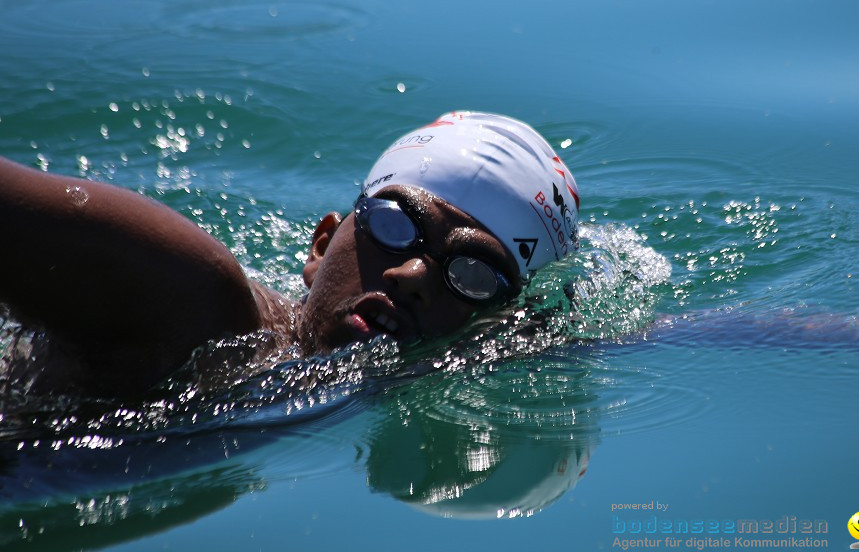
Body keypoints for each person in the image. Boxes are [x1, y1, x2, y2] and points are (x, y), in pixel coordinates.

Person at [0, 111, 581, 397]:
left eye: (473, 274)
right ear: (322, 245)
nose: (409, 275)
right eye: (395, 224)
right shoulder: (189, 294)